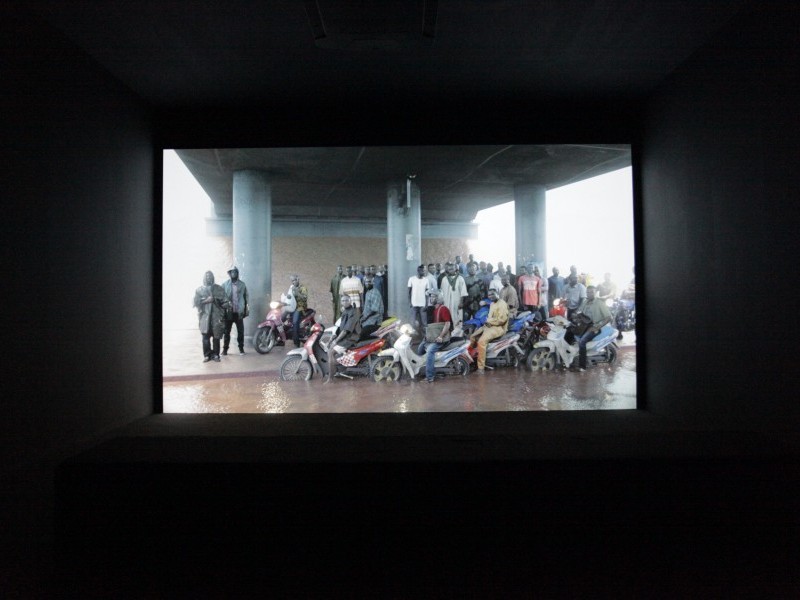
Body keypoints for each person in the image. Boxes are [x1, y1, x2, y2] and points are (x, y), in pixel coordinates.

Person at [469, 288, 509, 374]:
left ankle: (481, 368)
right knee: (472, 336)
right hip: (489, 326)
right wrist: (487, 322)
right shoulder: (492, 304)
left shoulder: (502, 304)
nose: (490, 296)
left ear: (497, 294)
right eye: (489, 295)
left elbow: (501, 320)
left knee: (481, 342)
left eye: (492, 294)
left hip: (498, 327)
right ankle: (471, 360)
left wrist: (488, 321)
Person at [193, 271, 229, 363]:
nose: (209, 278)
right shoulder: (199, 290)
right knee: (205, 337)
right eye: (207, 276)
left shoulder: (219, 289)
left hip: (216, 317)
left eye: (210, 276)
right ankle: (207, 355)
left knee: (216, 337)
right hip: (205, 317)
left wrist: (220, 302)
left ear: (213, 277)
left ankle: (216, 355)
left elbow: (226, 302)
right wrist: (206, 300)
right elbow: (195, 303)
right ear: (204, 278)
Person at [416, 291, 453, 382]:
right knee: (420, 349)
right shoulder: (433, 309)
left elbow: (447, 324)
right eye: (431, 297)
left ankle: (430, 377)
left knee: (430, 351)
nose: (431, 299)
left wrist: (440, 337)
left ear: (438, 298)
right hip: (433, 336)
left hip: (442, 338)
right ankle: (424, 368)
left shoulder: (443, 309)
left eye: (433, 297)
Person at [324, 294, 361, 383]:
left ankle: (330, 379)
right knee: (329, 349)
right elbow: (340, 328)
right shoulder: (345, 311)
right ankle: (335, 370)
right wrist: (331, 339)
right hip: (345, 337)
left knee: (330, 352)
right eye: (343, 301)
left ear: (350, 301)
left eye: (346, 300)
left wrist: (335, 341)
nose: (344, 302)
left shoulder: (353, 312)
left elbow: (345, 331)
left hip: (350, 338)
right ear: (341, 302)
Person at [575, 285, 612, 371]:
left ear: (595, 293)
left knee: (582, 342)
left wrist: (597, 327)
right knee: (569, 331)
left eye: (591, 292)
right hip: (584, 325)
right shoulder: (585, 301)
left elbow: (609, 317)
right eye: (588, 292)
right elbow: (579, 311)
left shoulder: (599, 303)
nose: (589, 294)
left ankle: (582, 366)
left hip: (594, 327)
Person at [222, 266, 249, 356]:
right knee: (226, 332)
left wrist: (246, 310)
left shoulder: (242, 284)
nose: (234, 274)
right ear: (229, 274)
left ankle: (241, 349)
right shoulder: (225, 284)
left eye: (235, 272)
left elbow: (246, 298)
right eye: (232, 272)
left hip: (238, 312)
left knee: (240, 332)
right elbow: (221, 297)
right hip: (228, 312)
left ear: (237, 273)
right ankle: (225, 350)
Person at [440, 262, 468, 330]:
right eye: (449, 269)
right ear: (447, 270)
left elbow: (463, 292)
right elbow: (442, 292)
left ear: (455, 269)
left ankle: (457, 334)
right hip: (446, 301)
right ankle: (448, 333)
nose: (451, 270)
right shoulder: (444, 279)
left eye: (452, 269)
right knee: (446, 318)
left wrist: (461, 302)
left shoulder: (460, 278)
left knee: (457, 318)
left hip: (456, 301)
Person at [359, 274, 384, 339]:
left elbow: (374, 311)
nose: (367, 283)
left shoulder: (375, 293)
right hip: (368, 318)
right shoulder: (368, 292)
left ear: (373, 282)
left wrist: (365, 318)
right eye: (366, 282)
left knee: (362, 335)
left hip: (374, 319)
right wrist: (361, 316)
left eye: (369, 282)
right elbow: (367, 308)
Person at [408, 264, 432, 333]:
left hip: (423, 304)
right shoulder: (411, 279)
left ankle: (426, 337)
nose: (424, 272)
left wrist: (427, 304)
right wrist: (410, 302)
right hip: (414, 304)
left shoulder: (426, 280)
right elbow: (409, 292)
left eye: (424, 271)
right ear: (418, 271)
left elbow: (427, 293)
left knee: (424, 323)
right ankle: (414, 338)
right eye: (423, 271)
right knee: (413, 323)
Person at [289, 274, 309, 347]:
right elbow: (289, 296)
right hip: (292, 307)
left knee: (295, 322)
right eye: (292, 281)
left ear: (298, 280)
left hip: (300, 307)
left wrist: (297, 293)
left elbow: (305, 298)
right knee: (282, 317)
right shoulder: (292, 288)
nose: (293, 282)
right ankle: (280, 340)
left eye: (294, 280)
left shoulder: (303, 288)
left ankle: (296, 342)